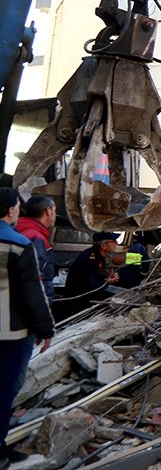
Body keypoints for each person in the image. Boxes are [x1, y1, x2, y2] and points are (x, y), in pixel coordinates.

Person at [0, 188, 54, 467]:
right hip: (10, 332)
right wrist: (45, 329)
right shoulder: (20, 243)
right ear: (11, 210)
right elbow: (32, 292)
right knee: (4, 390)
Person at [61, 231, 121, 319]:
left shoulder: (99, 257)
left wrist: (107, 277)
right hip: (78, 300)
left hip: (86, 297)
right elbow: (90, 285)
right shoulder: (90, 258)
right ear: (103, 246)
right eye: (113, 241)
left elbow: (96, 277)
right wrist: (107, 281)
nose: (117, 243)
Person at [15, 195, 56, 303]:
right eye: (54, 211)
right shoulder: (35, 238)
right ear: (48, 211)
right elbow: (32, 278)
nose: (55, 215)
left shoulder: (20, 229)